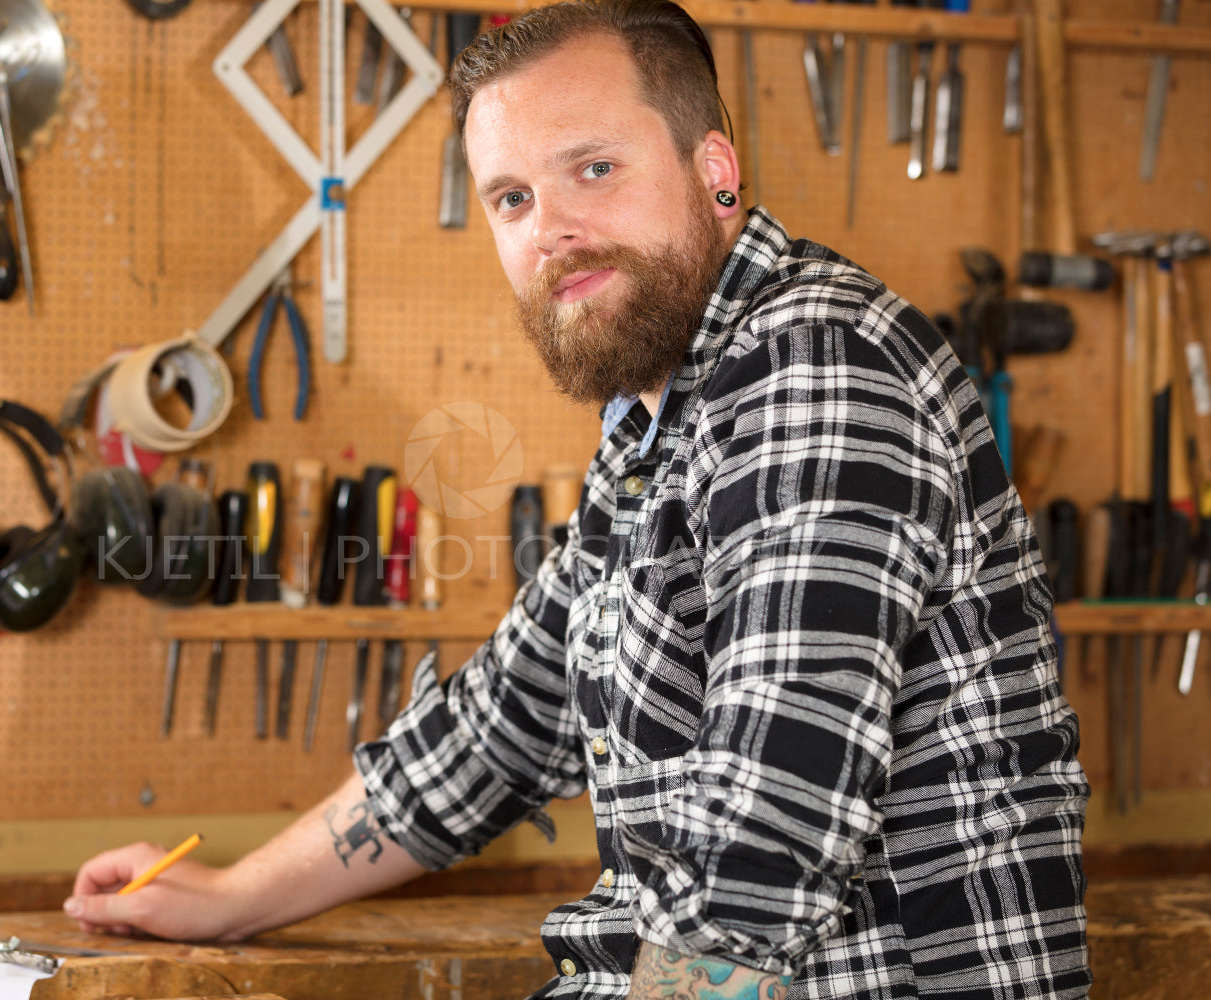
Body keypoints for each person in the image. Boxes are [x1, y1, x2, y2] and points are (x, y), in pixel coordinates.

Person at [64, 1, 1092, 996]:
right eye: (511, 198)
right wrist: (233, 896)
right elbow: (501, 720)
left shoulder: (816, 369)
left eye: (593, 169)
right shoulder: (658, 423)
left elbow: (762, 852)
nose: (551, 230)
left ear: (716, 173)